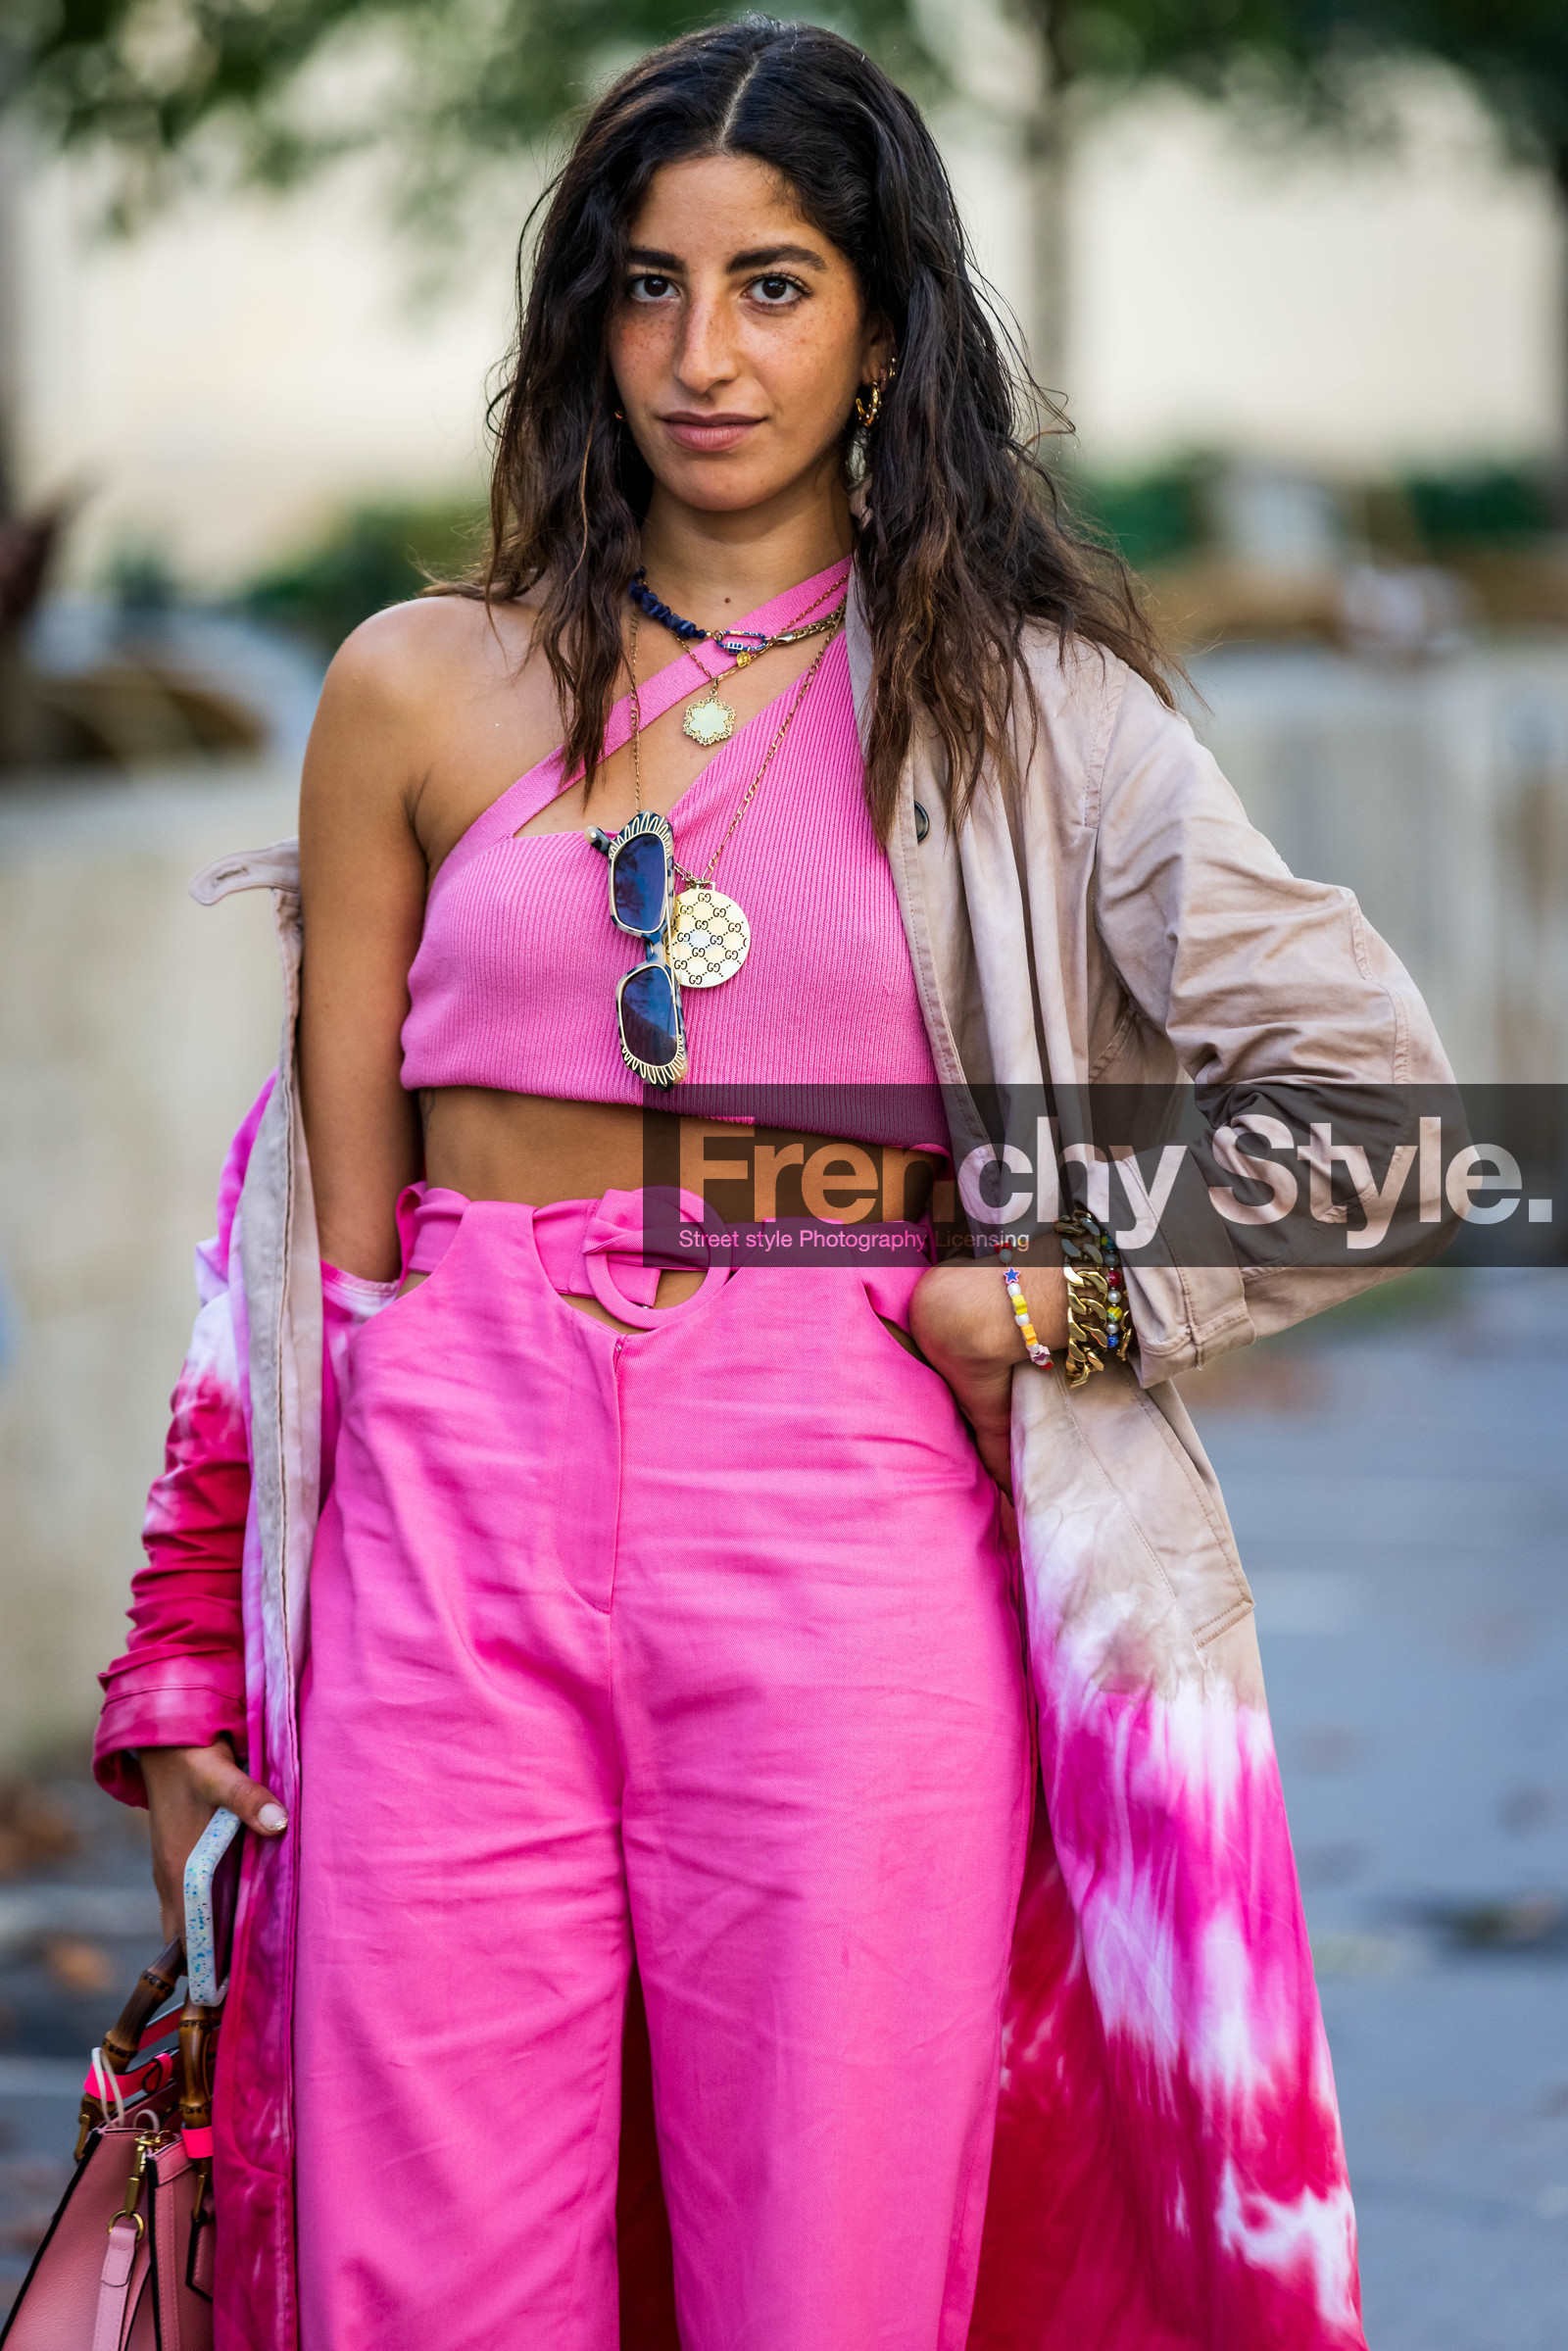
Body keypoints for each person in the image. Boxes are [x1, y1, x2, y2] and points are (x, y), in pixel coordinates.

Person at [94, 20, 1450, 2351]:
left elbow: (1395, 1122)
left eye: (774, 285)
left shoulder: (1034, 721)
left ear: (885, 324)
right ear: (580, 322)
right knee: (417, 2280)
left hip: (837, 1524)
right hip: (446, 1525)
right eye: (645, 285)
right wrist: (193, 1617)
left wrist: (1052, 1306)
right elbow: (303, 1233)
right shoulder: (416, 689)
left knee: (819, 2280)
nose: (699, 354)